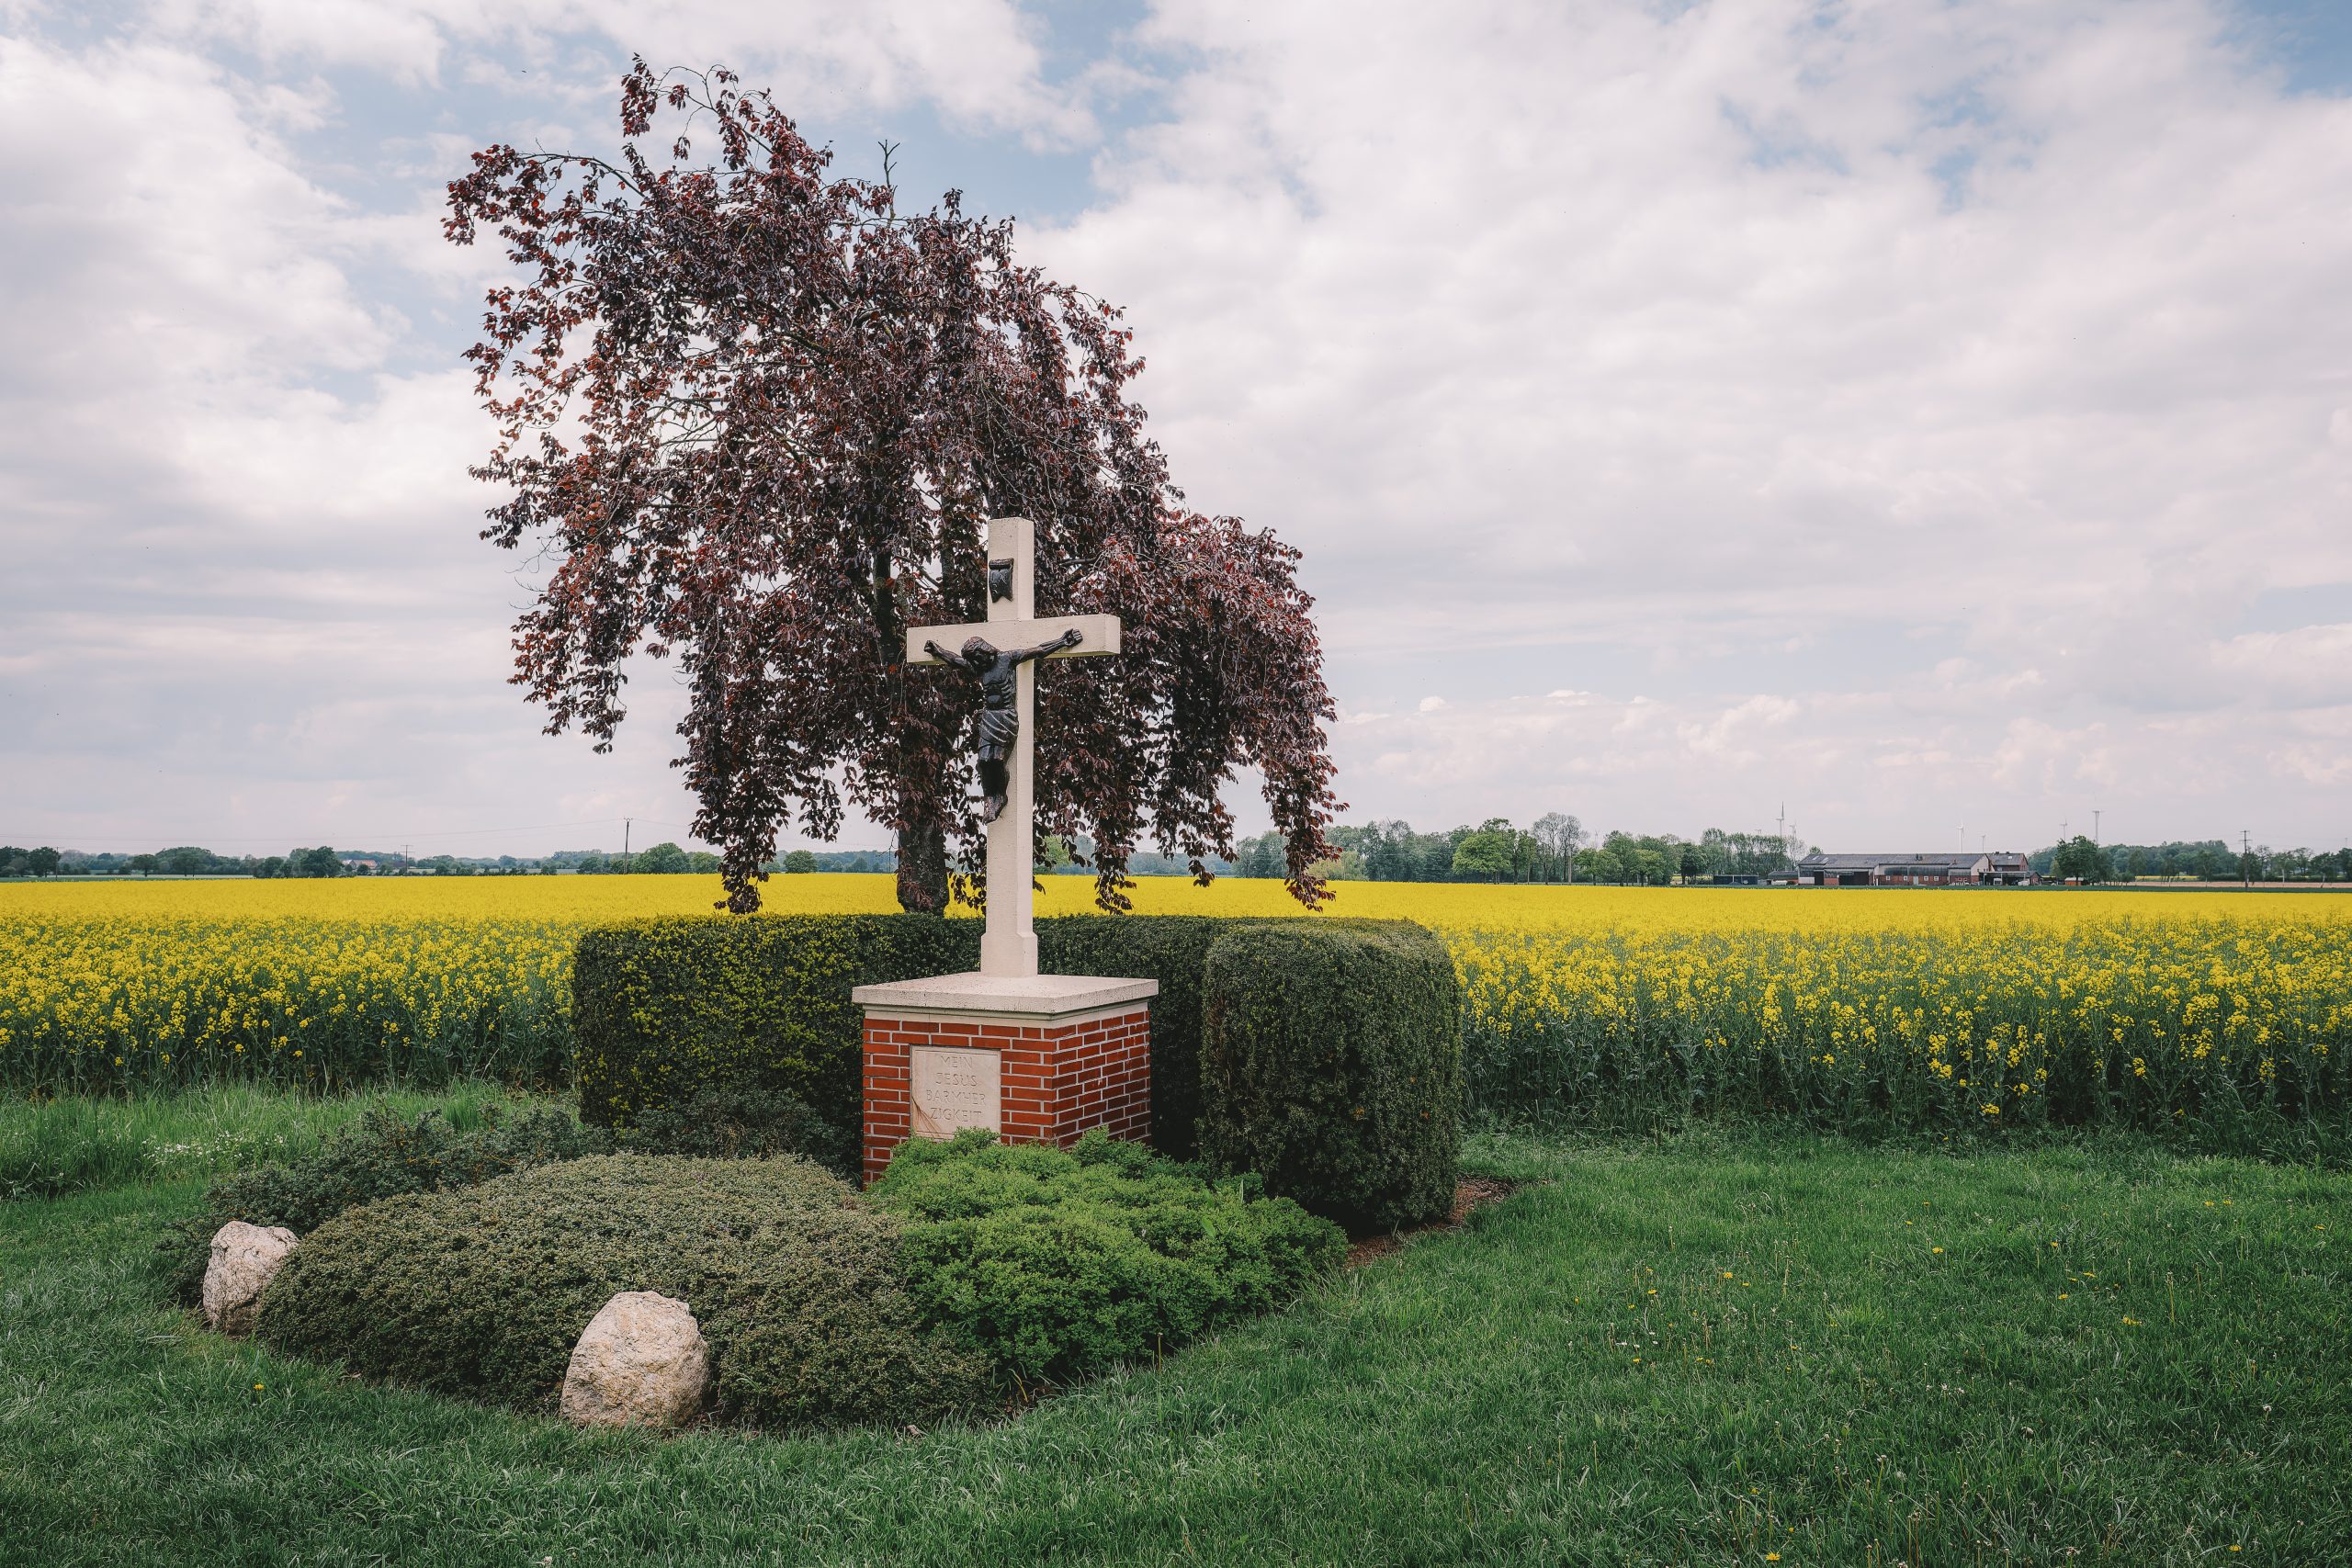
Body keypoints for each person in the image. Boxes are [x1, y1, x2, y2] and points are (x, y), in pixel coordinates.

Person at [922, 627, 1083, 821]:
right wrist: (938, 651)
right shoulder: (978, 667)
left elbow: (1038, 651)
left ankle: (1001, 795)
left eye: (979, 657)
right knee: (983, 761)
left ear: (986, 650)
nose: (978, 662)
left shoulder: (1007, 659)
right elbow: (956, 661)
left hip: (1006, 716)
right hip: (988, 715)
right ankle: (990, 797)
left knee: (997, 759)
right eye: (974, 660)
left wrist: (1062, 641)